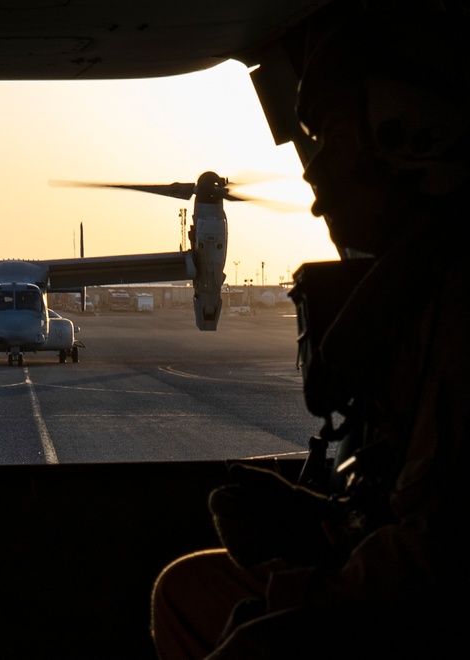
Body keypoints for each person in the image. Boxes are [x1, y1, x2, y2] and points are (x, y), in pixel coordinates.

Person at [150, 3, 470, 658]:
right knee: (188, 588)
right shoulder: (424, 291)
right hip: (390, 581)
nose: (312, 168)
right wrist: (315, 523)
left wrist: (303, 586)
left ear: (414, 139)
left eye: (330, 137)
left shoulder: (463, 313)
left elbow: (436, 558)